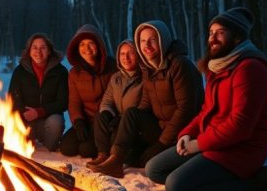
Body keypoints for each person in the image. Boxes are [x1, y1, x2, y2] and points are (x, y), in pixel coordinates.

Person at [145, 7, 267, 191]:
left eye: (220, 32)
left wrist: (199, 145)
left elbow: (240, 126)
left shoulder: (250, 69)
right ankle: (209, 175)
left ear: (237, 36)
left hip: (240, 150)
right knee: (154, 169)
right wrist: (188, 134)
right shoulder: (218, 67)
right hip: (213, 143)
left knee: (176, 186)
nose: (212, 38)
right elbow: (206, 110)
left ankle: (256, 184)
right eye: (210, 32)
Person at [92, 20, 203, 178]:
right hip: (160, 127)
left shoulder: (180, 65)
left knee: (143, 158)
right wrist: (128, 123)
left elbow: (185, 110)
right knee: (131, 117)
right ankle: (115, 160)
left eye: (152, 40)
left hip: (182, 132)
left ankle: (158, 156)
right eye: (143, 41)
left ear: (162, 40)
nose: (147, 45)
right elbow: (145, 102)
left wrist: (161, 143)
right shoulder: (149, 67)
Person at [59, 24, 117, 158]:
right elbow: (74, 102)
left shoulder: (112, 67)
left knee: (87, 150)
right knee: (67, 147)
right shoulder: (74, 73)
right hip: (85, 121)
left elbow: (117, 98)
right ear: (77, 48)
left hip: (105, 121)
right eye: (82, 45)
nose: (87, 49)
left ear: (99, 45)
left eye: (91, 43)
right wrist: (78, 122)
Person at [86, 40, 143, 168]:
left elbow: (144, 105)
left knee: (119, 143)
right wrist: (107, 115)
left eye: (130, 53)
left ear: (138, 55)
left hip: (132, 124)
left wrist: (120, 120)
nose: (126, 58)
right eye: (122, 54)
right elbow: (107, 100)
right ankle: (102, 155)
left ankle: (114, 159)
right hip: (117, 119)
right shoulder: (116, 77)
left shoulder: (144, 78)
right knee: (100, 116)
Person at [8, 33, 68, 151]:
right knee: (13, 124)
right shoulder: (20, 72)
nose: (38, 52)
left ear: (49, 51)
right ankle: (26, 141)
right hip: (26, 120)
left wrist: (40, 111)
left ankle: (49, 146)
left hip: (48, 121)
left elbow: (63, 102)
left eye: (43, 48)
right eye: (34, 47)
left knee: (56, 121)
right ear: (29, 50)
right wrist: (24, 114)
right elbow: (12, 99)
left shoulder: (60, 72)